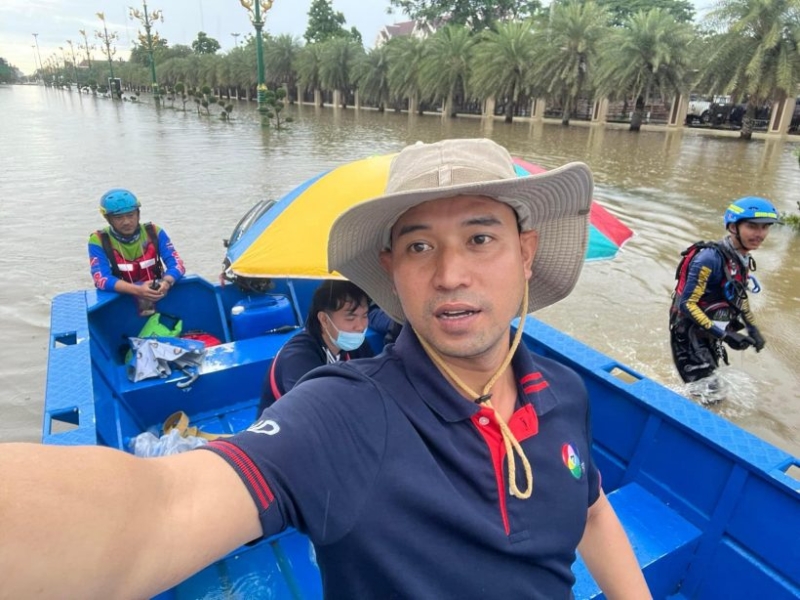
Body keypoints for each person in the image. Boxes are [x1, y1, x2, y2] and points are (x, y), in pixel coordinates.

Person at [0, 139, 650, 599]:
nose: (451, 273)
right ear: (392, 270)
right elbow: (162, 511)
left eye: (481, 238)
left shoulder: (563, 392)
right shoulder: (343, 412)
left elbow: (590, 511)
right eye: (420, 245)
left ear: (526, 253)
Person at [669, 196, 779, 388]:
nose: (760, 234)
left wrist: (752, 328)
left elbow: (739, 297)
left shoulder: (741, 259)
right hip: (689, 333)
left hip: (712, 330)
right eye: (752, 226)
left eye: (765, 227)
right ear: (733, 227)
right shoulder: (709, 259)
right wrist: (725, 336)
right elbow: (687, 304)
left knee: (712, 386)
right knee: (709, 393)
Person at [259, 279, 374, 413]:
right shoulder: (297, 358)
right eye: (350, 318)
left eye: (364, 316)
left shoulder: (357, 343)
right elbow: (314, 411)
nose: (360, 326)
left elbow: (374, 382)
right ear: (324, 319)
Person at [89, 188, 185, 315]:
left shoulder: (155, 232)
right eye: (118, 218)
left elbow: (177, 264)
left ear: (138, 214)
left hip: (157, 296)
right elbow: (101, 279)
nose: (126, 222)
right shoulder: (98, 240)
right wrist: (137, 290)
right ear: (108, 219)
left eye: (131, 215)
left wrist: (166, 282)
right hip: (121, 302)